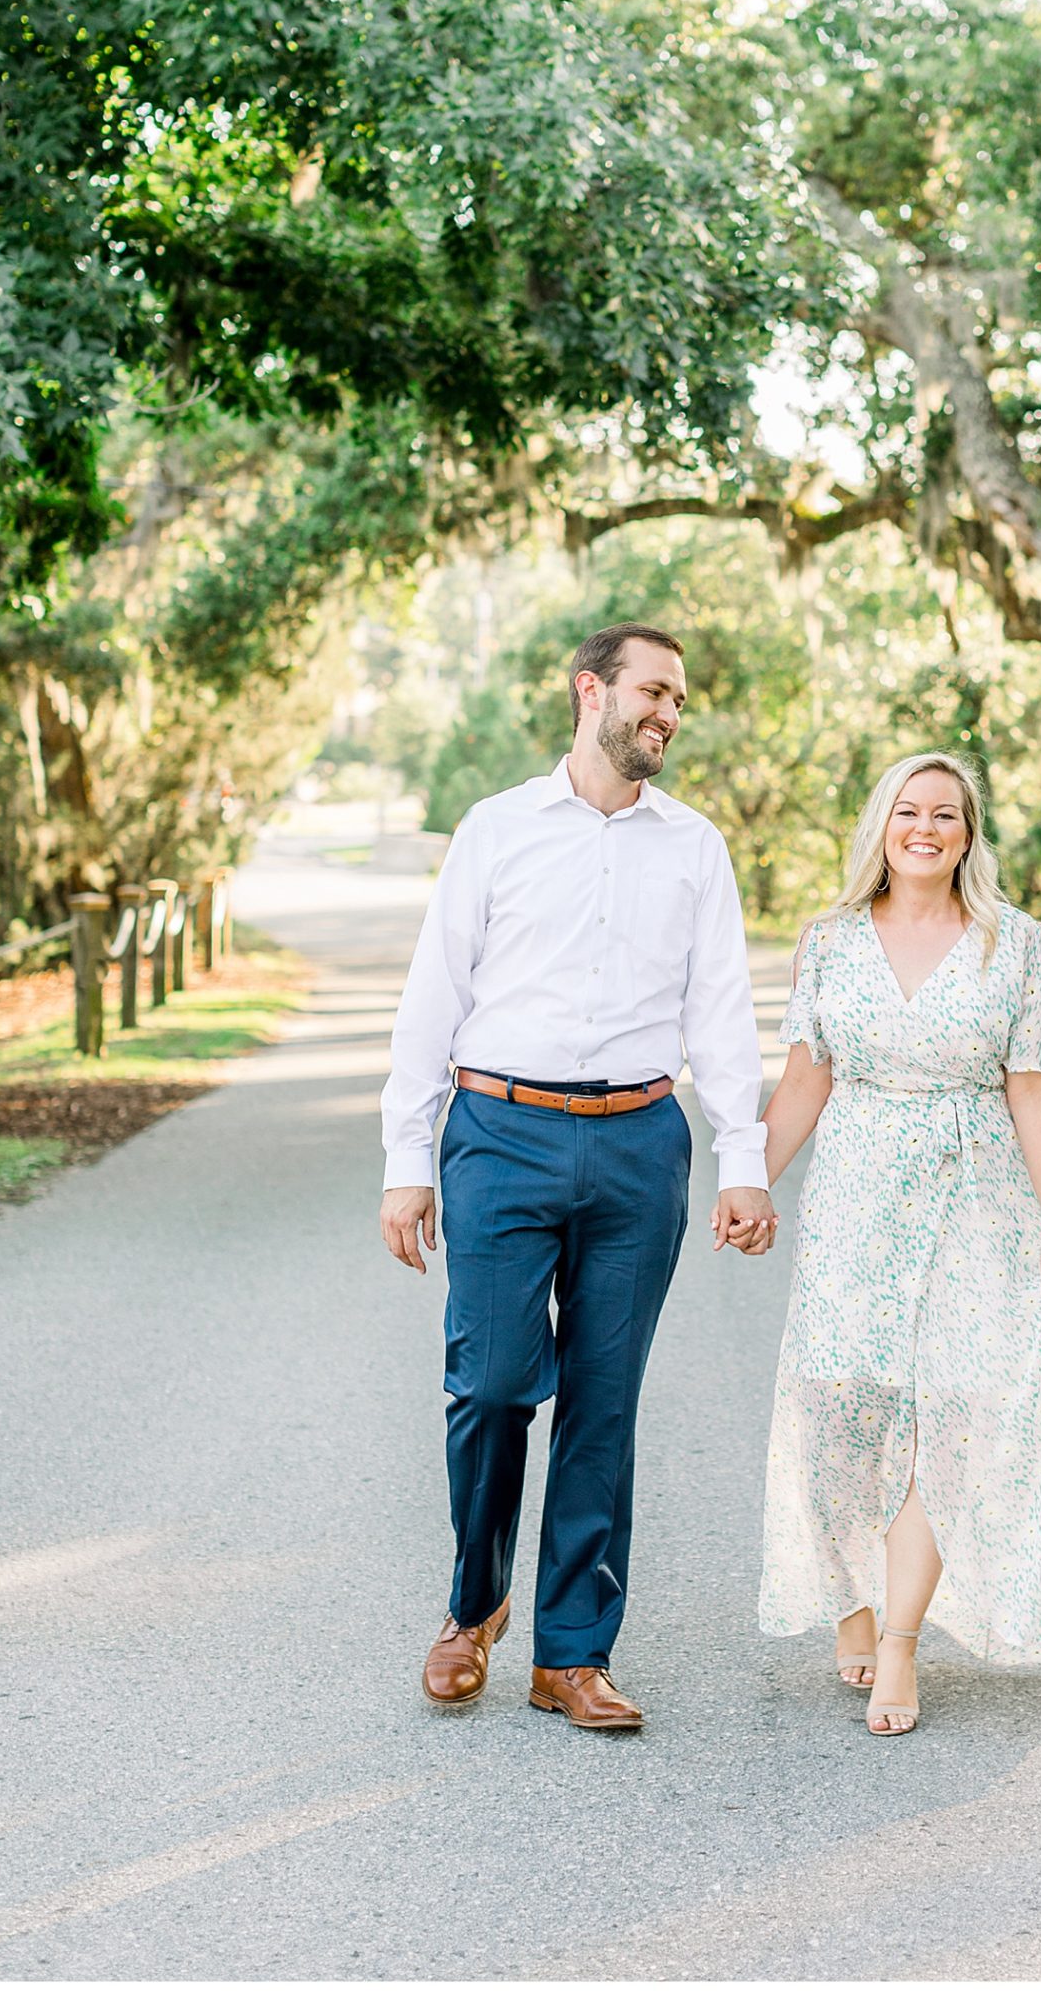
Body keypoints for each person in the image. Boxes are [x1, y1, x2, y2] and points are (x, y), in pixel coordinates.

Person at [380, 622, 776, 1731]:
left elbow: (722, 1013)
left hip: (641, 1142)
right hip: (499, 1133)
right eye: (653, 690)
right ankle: (474, 1607)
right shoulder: (497, 829)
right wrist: (407, 1161)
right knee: (496, 1385)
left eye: (680, 699)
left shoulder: (695, 846)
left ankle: (573, 1653)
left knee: (603, 1401)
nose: (668, 712)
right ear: (589, 690)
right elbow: (433, 996)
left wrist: (742, 1160)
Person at [730, 750, 1041, 1735]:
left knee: (947, 1416)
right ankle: (855, 1601)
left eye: (946, 815)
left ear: (967, 832)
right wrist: (751, 1180)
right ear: (883, 825)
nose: (926, 828)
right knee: (839, 1416)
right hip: (855, 1196)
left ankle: (901, 1639)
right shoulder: (826, 942)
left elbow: (1035, 1087)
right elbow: (804, 1081)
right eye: (909, 811)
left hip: (975, 1197)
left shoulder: (1018, 945)